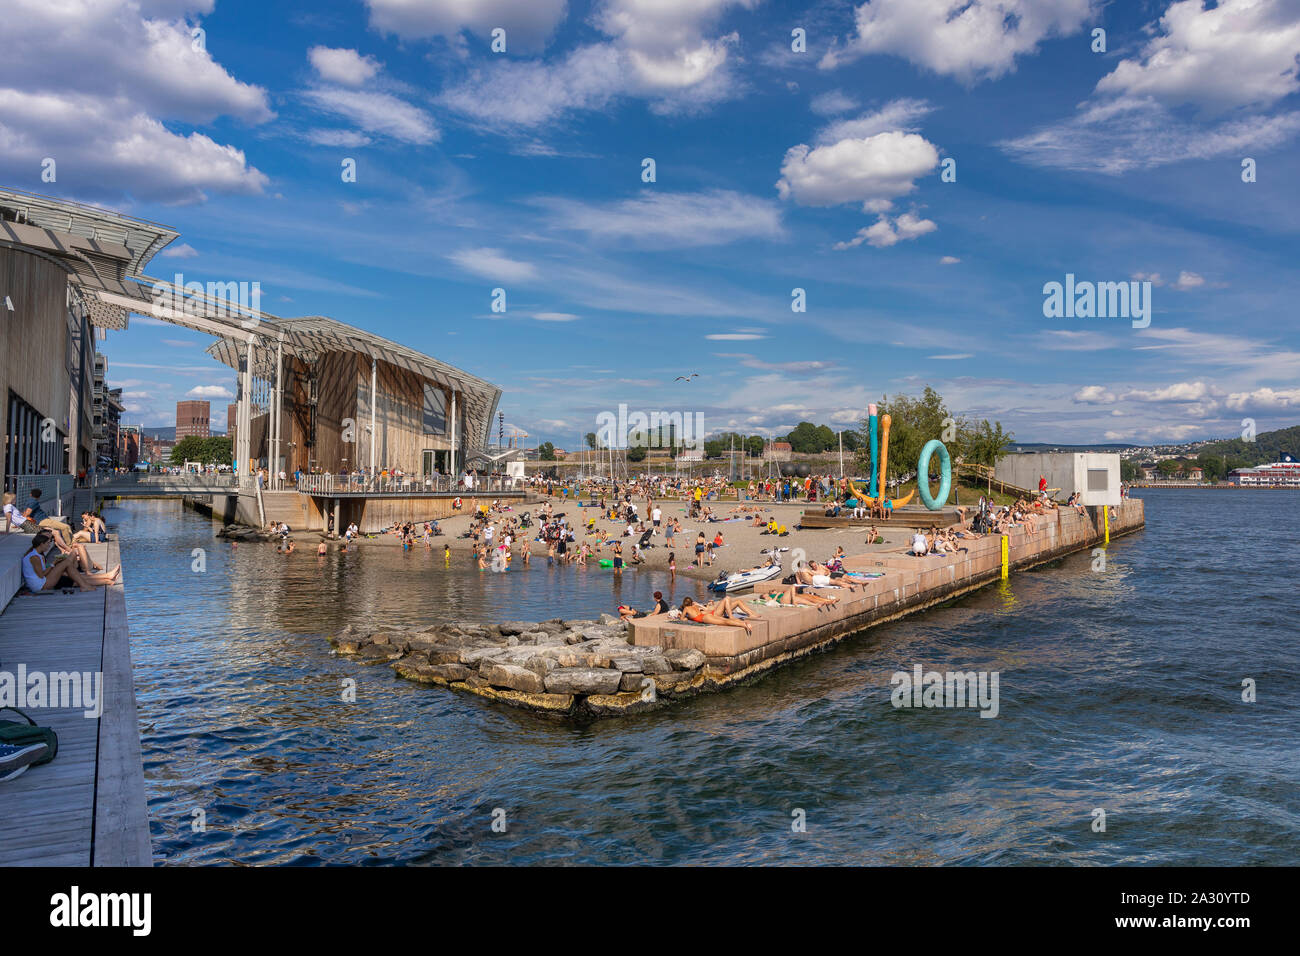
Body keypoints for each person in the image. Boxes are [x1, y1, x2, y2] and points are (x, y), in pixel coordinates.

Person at [22, 531, 119, 592]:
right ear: (41, 544)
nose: (48, 546)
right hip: (41, 585)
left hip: (43, 580)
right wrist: (54, 563)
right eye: (47, 543)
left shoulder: (37, 554)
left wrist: (55, 564)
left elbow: (42, 570)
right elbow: (41, 575)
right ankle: (95, 582)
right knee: (71, 569)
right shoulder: (34, 557)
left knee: (72, 571)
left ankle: (105, 579)